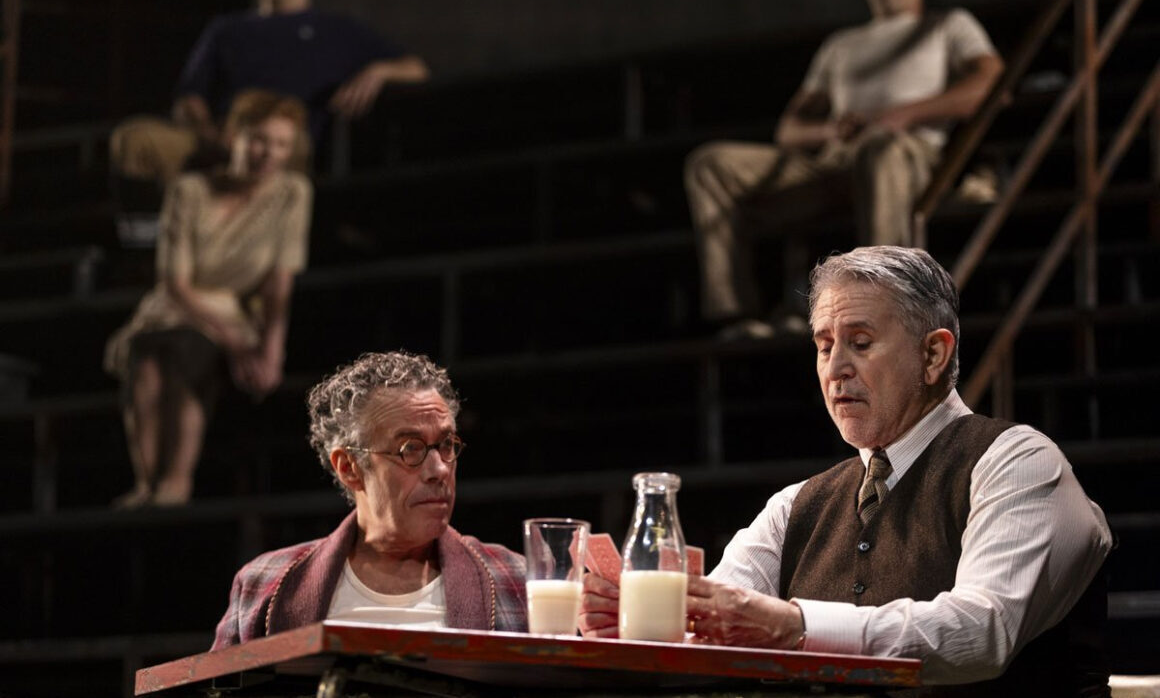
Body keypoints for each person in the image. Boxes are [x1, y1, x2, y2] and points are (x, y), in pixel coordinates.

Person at [581, 246, 1113, 696]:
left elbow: (981, 632)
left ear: (933, 355)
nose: (835, 370)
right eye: (824, 345)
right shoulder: (797, 505)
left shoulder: (1016, 462)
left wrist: (793, 626)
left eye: (860, 344)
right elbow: (716, 625)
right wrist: (636, 625)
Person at [685, 0, 1004, 340]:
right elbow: (789, 129)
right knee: (709, 163)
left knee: (880, 148)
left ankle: (886, 304)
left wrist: (901, 116)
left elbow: (990, 81)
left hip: (907, 153)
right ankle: (734, 312)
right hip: (835, 161)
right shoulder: (842, 45)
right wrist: (831, 128)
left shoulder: (949, 25)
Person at [211, 351, 527, 648]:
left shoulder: (515, 579)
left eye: (446, 445)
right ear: (349, 468)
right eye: (411, 449)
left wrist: (579, 635)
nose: (439, 469)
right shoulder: (264, 581)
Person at [109, 0, 428, 209]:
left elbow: (417, 68)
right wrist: (211, 133)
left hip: (287, 142)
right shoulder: (227, 29)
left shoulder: (337, 29)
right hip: (223, 138)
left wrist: (378, 71)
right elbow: (189, 96)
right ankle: (149, 243)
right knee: (134, 138)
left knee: (273, 149)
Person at [104, 90, 314, 507]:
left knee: (186, 355)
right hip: (176, 303)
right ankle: (145, 483)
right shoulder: (190, 190)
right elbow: (175, 282)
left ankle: (175, 483)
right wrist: (234, 342)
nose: (267, 154)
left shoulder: (293, 192)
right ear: (234, 135)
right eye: (258, 140)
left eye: (281, 145)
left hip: (232, 308)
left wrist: (271, 350)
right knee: (146, 364)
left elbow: (279, 282)